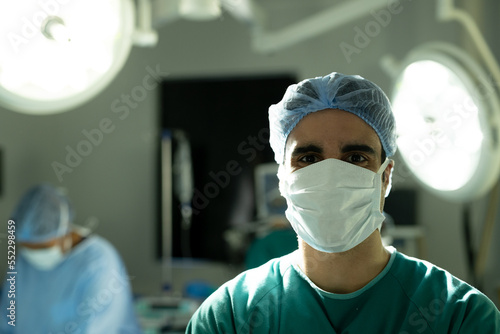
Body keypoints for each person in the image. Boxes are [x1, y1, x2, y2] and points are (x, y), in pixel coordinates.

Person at [186, 72, 500, 333]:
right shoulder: (228, 317)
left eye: (355, 157)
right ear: (282, 177)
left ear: (385, 176)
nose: (332, 174)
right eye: (308, 157)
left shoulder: (459, 317)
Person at [0, 184, 143, 333]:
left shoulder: (99, 264)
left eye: (43, 247)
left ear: (63, 231)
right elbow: (7, 322)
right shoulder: (23, 264)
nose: (34, 255)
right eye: (28, 248)